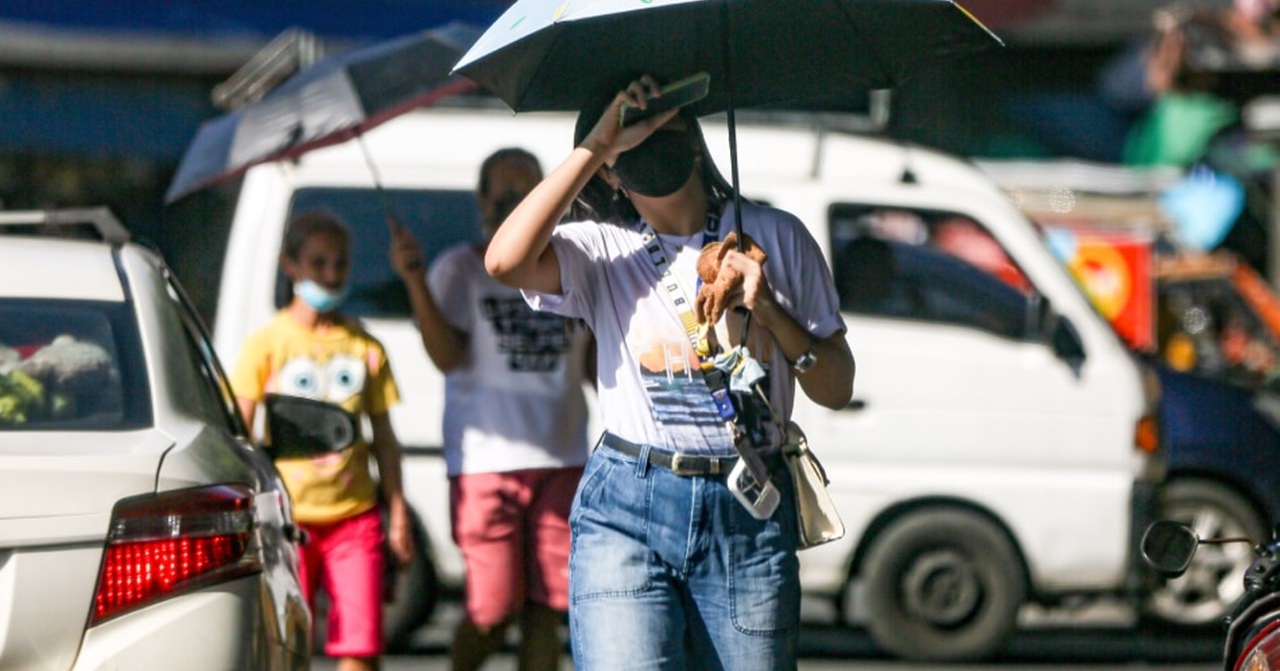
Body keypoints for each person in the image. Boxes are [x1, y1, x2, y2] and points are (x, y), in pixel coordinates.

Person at [483, 75, 856, 670]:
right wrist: (597, 145)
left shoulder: (776, 237)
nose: (657, 145)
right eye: (638, 137)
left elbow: (836, 388)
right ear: (609, 169)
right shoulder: (601, 249)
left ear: (695, 138)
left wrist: (769, 311)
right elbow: (504, 260)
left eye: (670, 129)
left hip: (748, 509)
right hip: (628, 501)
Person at [389, 147, 591, 671]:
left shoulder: (569, 265)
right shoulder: (459, 267)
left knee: (547, 609)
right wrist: (414, 281)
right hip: (484, 463)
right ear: (482, 200)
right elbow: (447, 357)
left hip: (562, 457)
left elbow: (593, 365)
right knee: (493, 608)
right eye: (504, 196)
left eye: (527, 193)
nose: (515, 204)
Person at [232, 209, 414, 671]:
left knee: (361, 646)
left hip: (355, 518)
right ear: (290, 265)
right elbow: (238, 435)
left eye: (339, 263)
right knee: (284, 647)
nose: (331, 275)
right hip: (287, 523)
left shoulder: (364, 346)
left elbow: (385, 441)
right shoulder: (267, 344)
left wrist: (397, 515)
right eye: (318, 263)